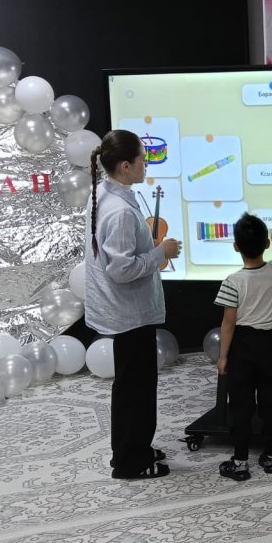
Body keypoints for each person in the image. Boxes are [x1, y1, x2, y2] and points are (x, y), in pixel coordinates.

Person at [85, 129, 181, 480]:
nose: (146, 165)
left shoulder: (107, 193)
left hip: (126, 311)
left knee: (133, 385)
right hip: (129, 313)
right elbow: (121, 270)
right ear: (125, 166)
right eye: (143, 159)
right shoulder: (119, 211)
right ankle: (130, 461)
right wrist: (160, 253)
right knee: (136, 389)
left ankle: (136, 447)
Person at [215, 213, 272, 481]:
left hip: (243, 347)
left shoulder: (232, 281)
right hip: (270, 343)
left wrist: (223, 356)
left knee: (241, 406)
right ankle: (271, 457)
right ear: (265, 244)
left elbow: (228, 323)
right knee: (270, 403)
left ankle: (240, 461)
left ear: (235, 246)